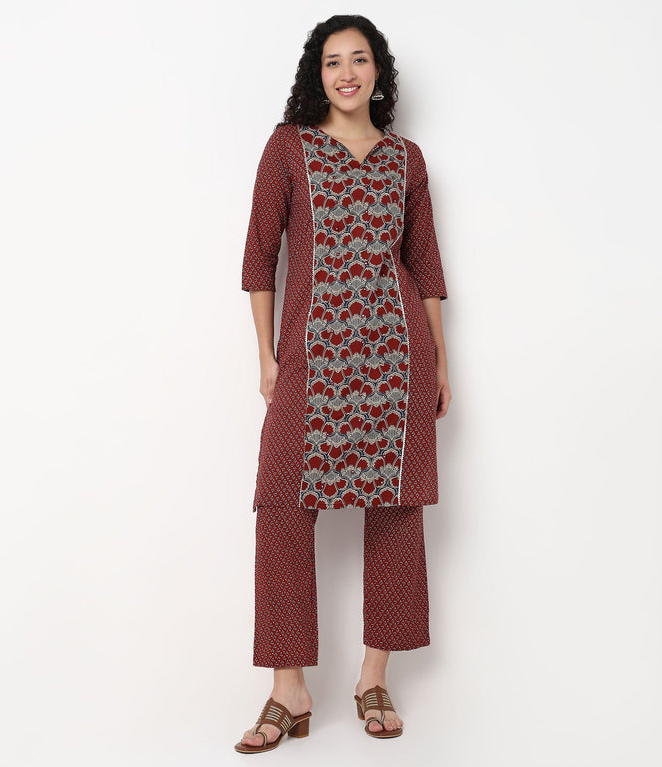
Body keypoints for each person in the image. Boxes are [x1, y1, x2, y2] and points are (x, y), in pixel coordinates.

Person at [235, 14, 451, 754]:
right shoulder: (288, 147)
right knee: (281, 508)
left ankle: (373, 677)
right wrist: (266, 357)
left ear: (379, 72)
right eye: (333, 62)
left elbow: (424, 263)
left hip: (395, 359)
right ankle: (287, 688)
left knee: (394, 511)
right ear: (317, 74)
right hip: (310, 358)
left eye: (360, 59)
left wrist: (440, 362)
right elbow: (259, 255)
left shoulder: (405, 160)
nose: (347, 73)